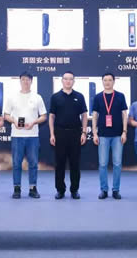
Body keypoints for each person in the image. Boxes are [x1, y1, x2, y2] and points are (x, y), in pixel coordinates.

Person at [4, 72, 47, 199]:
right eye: (23, 79)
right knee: (17, 163)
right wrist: (14, 121)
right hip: (17, 135)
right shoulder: (12, 97)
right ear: (20, 81)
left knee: (33, 163)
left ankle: (33, 188)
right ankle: (16, 188)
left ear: (31, 81)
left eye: (28, 80)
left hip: (33, 136)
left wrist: (34, 122)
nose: (25, 82)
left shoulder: (37, 97)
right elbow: (6, 115)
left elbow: (44, 116)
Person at [49, 71, 88, 200]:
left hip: (75, 133)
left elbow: (84, 115)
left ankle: (74, 190)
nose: (68, 81)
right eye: (65, 79)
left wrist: (84, 132)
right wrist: (52, 134)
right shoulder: (55, 97)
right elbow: (51, 116)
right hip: (59, 133)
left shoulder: (79, 96)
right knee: (59, 163)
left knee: (75, 164)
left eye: (71, 79)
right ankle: (60, 190)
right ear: (62, 81)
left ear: (74, 81)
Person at [91, 73, 128, 200]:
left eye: (110, 80)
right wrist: (94, 133)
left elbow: (124, 115)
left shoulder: (120, 96)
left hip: (118, 135)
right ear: (102, 81)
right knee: (102, 164)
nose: (107, 82)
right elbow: (94, 116)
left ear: (114, 81)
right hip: (102, 135)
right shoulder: (98, 97)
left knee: (117, 163)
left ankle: (116, 190)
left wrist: (124, 131)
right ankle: (104, 190)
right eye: (105, 80)